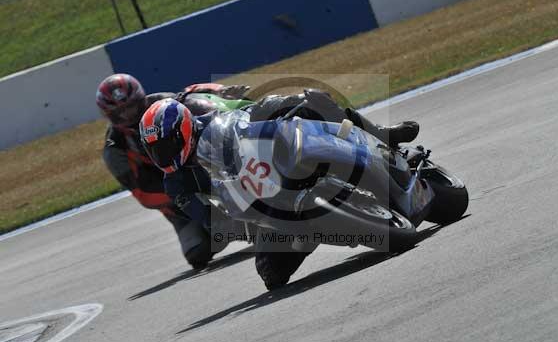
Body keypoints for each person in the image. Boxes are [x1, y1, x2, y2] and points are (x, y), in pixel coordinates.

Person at [139, 89, 420, 289]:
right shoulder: (176, 183)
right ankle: (321, 228)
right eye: (155, 150)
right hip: (264, 210)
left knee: (309, 99)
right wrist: (238, 224)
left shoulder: (213, 121)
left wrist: (273, 113)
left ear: (184, 129)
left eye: (167, 144)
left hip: (279, 164)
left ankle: (383, 135)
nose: (163, 154)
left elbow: (246, 116)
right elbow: (211, 222)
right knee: (271, 276)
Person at [96, 73, 249, 269]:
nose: (129, 115)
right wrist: (184, 188)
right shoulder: (114, 150)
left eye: (132, 106)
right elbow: (145, 195)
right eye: (121, 112)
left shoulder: (161, 103)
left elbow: (189, 96)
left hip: (206, 165)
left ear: (141, 99)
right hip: (176, 200)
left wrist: (220, 94)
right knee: (197, 252)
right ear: (110, 116)